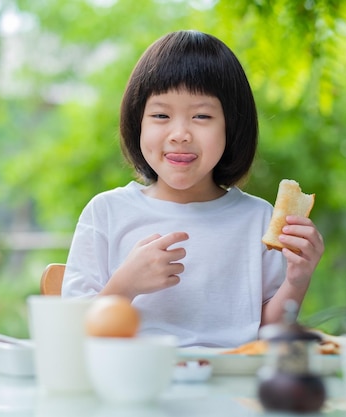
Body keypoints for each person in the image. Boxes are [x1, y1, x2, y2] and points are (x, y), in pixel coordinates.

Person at [62, 30, 324, 348]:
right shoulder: (106, 212)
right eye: (161, 115)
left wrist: (297, 279)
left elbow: (268, 332)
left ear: (232, 126)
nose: (180, 134)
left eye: (201, 116)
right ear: (137, 123)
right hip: (135, 383)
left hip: (231, 388)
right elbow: (70, 334)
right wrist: (125, 285)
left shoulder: (258, 218)